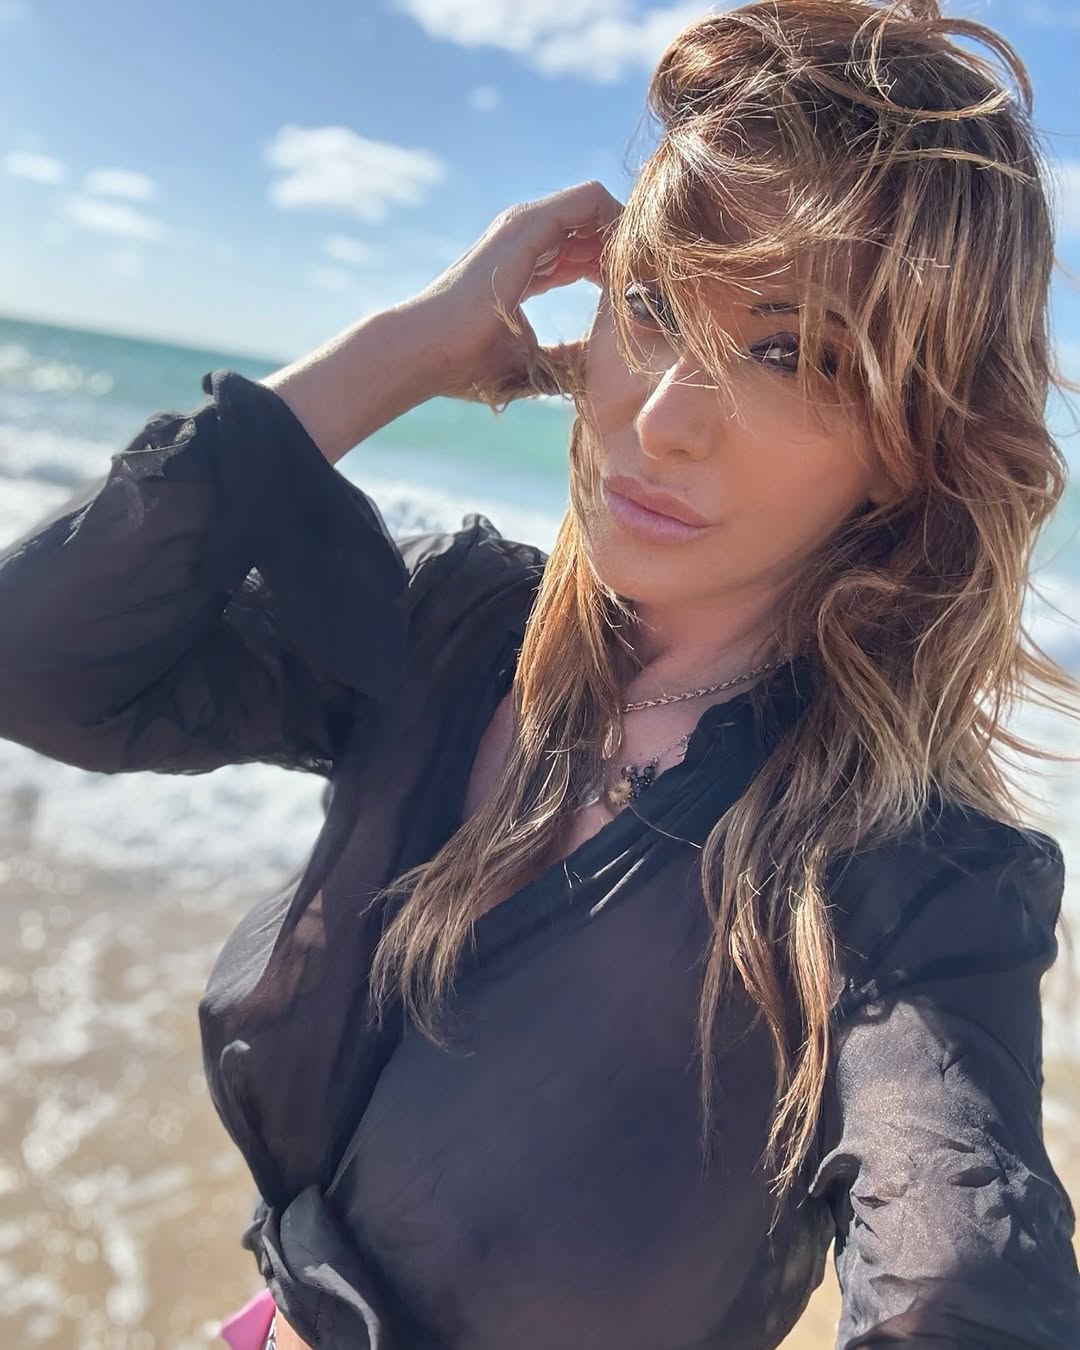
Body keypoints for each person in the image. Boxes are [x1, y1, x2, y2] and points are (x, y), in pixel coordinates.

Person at [1, 0, 1078, 1345]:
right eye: (655, 305)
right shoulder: (459, 630)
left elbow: (963, 1277)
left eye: (790, 352)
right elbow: (47, 658)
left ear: (917, 440)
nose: (665, 416)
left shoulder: (905, 877)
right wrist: (412, 344)